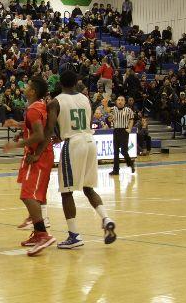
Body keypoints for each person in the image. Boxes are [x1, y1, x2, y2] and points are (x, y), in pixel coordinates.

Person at [43, 70, 117, 249]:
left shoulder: (56, 101)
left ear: (60, 83)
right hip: (90, 141)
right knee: (88, 188)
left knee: (66, 191)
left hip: (73, 144)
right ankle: (106, 219)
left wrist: (43, 146)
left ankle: (74, 235)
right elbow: (88, 121)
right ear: (76, 83)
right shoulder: (86, 99)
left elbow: (49, 129)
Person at [3, 77, 55, 256]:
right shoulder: (38, 106)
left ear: (32, 91)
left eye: (28, 86)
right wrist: (19, 126)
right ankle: (38, 231)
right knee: (34, 195)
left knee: (28, 195)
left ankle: (43, 234)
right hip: (40, 155)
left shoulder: (33, 109)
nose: (24, 87)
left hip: (38, 157)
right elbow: (35, 127)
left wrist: (15, 145)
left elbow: (39, 135)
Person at [109, 96, 136, 176]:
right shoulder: (113, 109)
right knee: (116, 152)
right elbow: (107, 111)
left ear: (124, 102)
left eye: (122, 100)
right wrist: (105, 104)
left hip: (124, 131)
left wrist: (130, 129)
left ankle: (130, 163)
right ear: (116, 101)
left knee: (124, 151)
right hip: (116, 131)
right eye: (118, 100)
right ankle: (116, 170)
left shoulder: (128, 110)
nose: (120, 101)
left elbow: (131, 120)